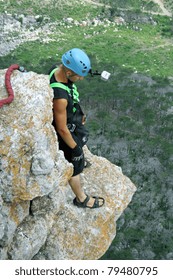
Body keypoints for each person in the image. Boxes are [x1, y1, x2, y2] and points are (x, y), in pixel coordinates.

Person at [49, 48, 105, 209]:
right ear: (68, 73)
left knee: (78, 147)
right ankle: (81, 199)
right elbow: (61, 129)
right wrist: (76, 149)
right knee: (75, 166)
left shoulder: (56, 69)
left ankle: (77, 160)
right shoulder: (60, 97)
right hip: (65, 133)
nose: (80, 79)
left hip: (71, 120)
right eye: (78, 75)